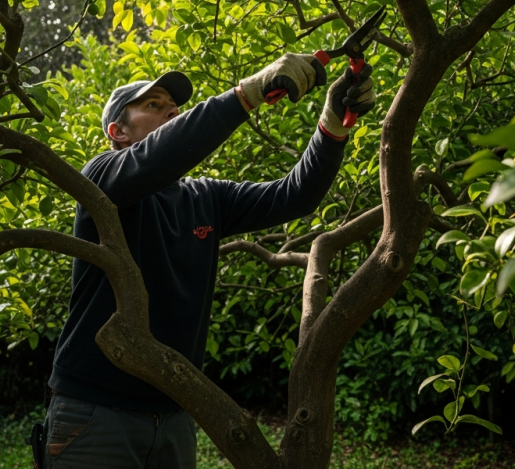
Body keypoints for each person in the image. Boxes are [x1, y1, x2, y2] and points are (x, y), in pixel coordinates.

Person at [42, 53, 376, 468]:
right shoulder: (100, 178)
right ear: (118, 131)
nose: (172, 111)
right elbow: (164, 153)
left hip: (176, 411)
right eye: (153, 104)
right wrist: (248, 93)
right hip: (94, 411)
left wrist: (332, 123)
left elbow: (295, 195)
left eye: (174, 106)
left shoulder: (205, 197)